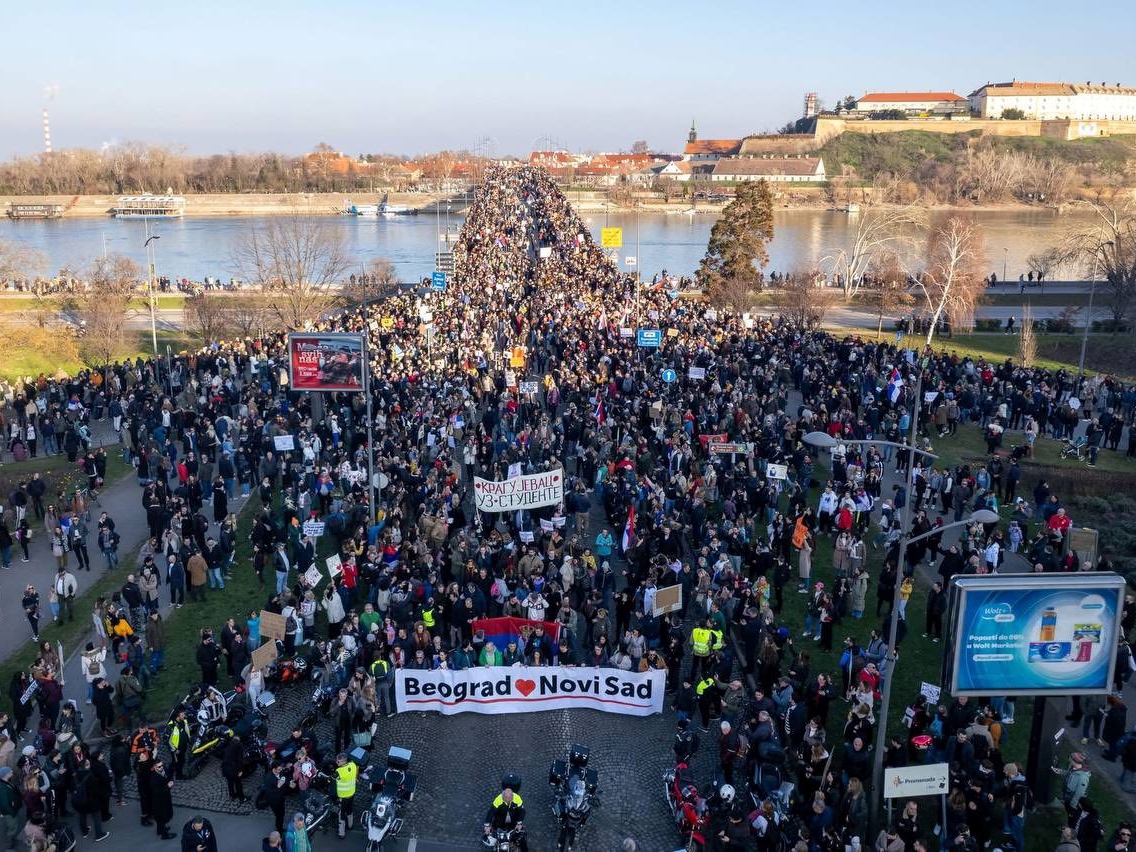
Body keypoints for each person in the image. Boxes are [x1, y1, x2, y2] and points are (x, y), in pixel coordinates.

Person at [484, 786, 527, 852]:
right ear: (503, 795)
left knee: (522, 840)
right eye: (505, 798)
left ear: (512, 796)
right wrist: (487, 825)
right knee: (492, 837)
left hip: (513, 822)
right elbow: (491, 812)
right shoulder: (498, 799)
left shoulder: (517, 798)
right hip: (499, 822)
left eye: (509, 798)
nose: (507, 799)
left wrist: (519, 823)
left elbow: (522, 811)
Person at [149, 757, 177, 839]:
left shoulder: (164, 769)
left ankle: (160, 830)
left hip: (165, 797)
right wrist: (168, 786)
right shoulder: (153, 778)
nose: (161, 768)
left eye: (161, 765)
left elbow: (169, 775)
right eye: (159, 767)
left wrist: (170, 780)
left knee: (163, 816)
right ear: (154, 767)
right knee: (162, 816)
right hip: (159, 800)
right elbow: (157, 791)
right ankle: (165, 835)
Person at [333, 752, 357, 839]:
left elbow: (334, 778)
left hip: (343, 796)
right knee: (350, 810)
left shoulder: (339, 771)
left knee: (341, 814)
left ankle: (341, 833)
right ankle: (350, 825)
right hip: (351, 793)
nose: (336, 763)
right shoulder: (353, 765)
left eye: (338, 762)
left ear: (343, 762)